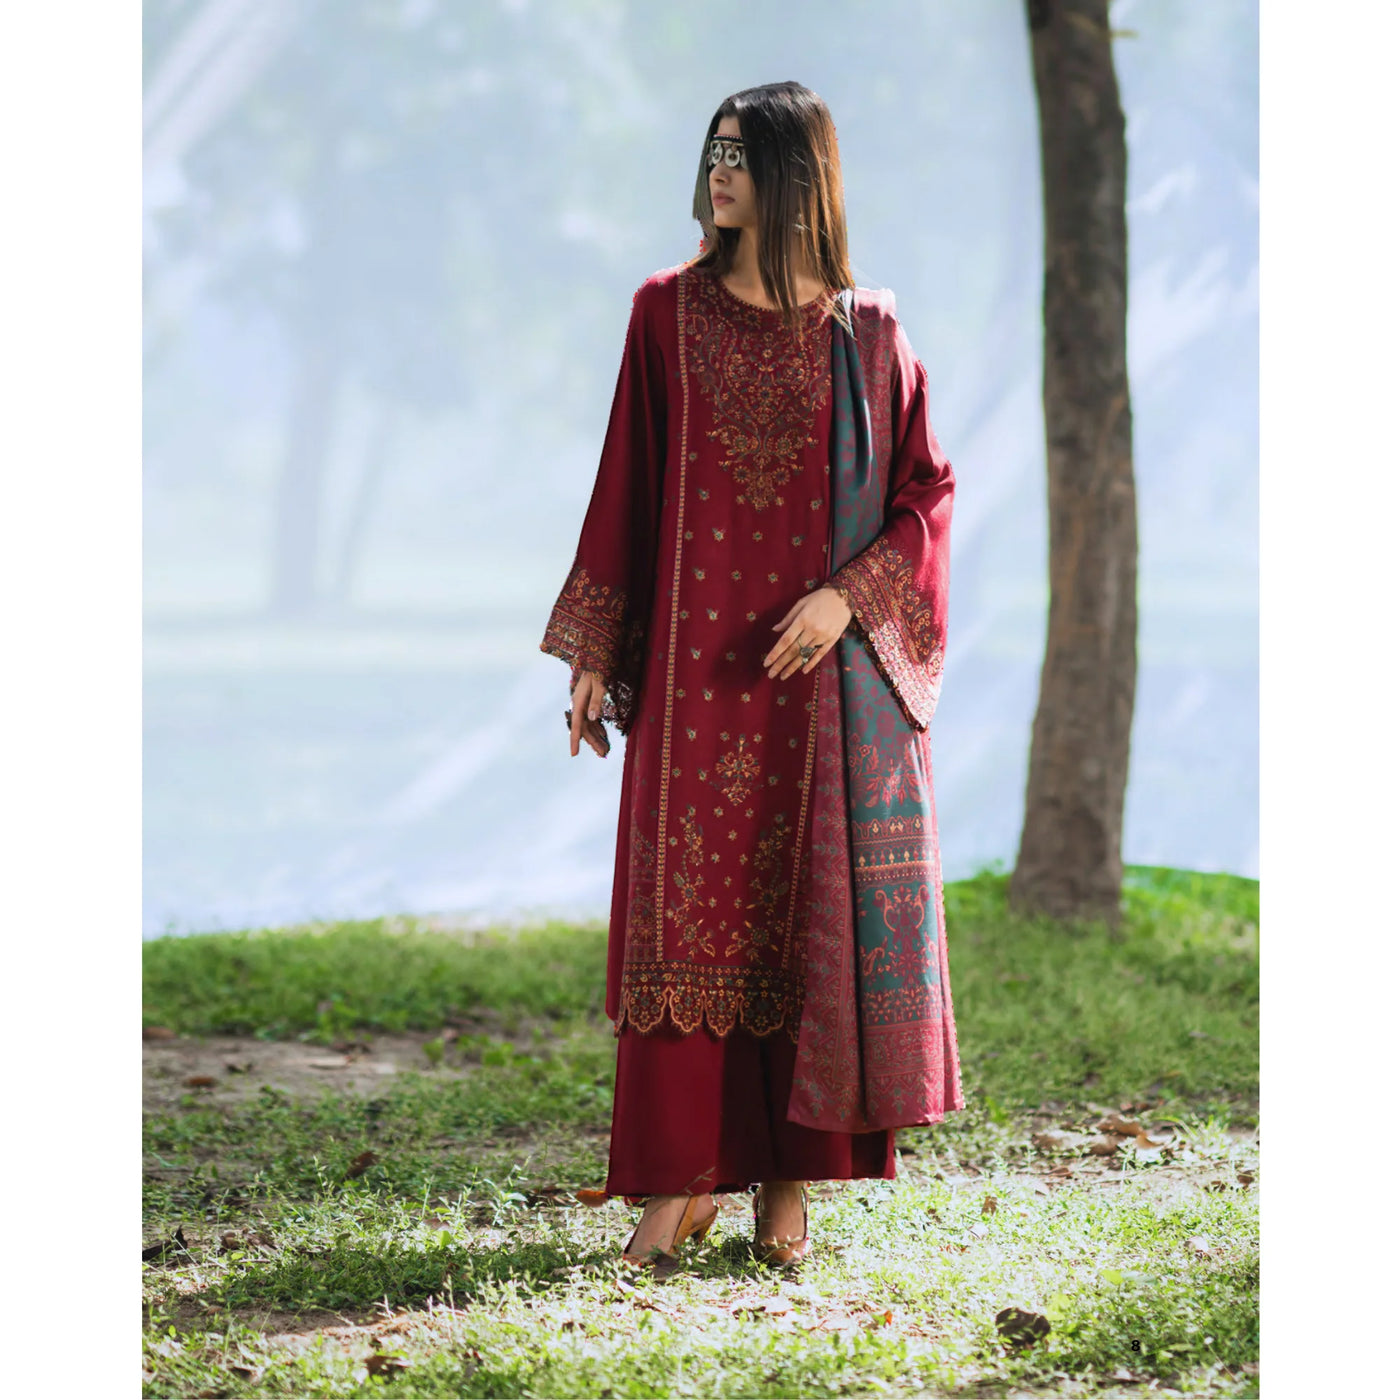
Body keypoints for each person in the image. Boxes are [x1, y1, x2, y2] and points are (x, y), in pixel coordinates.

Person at [540, 81, 963, 1276]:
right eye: (711, 151)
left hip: (820, 685)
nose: (717, 172)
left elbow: (925, 493)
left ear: (795, 177)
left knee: (805, 922)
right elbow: (627, 482)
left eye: (740, 155)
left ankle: (788, 1182)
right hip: (693, 681)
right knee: (686, 924)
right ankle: (678, 1183)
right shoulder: (664, 314)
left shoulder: (866, 335)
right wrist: (595, 650)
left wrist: (846, 598)